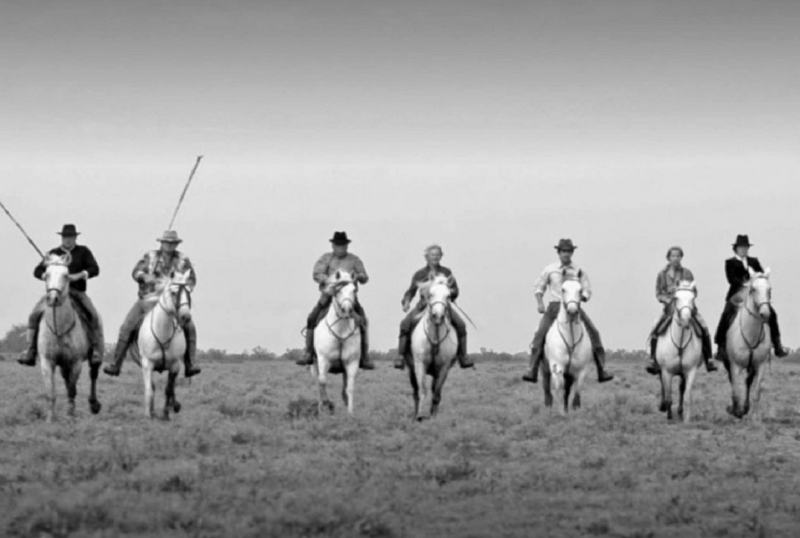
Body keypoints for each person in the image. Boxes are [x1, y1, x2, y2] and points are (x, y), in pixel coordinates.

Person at [103, 230, 201, 377]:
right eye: (166, 243)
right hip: (148, 299)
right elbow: (136, 272)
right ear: (161, 243)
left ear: (176, 244)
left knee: (189, 326)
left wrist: (182, 291)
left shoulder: (183, 260)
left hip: (172, 302)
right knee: (127, 326)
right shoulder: (150, 256)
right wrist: (144, 277)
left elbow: (191, 280)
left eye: (172, 243)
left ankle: (190, 363)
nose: (169, 246)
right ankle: (116, 364)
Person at [522, 239, 614, 384]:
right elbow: (539, 287)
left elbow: (587, 289)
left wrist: (583, 297)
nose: (566, 254)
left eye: (569, 251)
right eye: (564, 251)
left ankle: (602, 369)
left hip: (574, 308)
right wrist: (540, 303)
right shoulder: (550, 269)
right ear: (559, 252)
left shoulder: (578, 271)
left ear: (572, 253)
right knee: (539, 334)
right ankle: (531, 369)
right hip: (554, 307)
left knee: (594, 332)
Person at [18, 224, 104, 367]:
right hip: (55, 292)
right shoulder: (53, 253)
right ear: (62, 238)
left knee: (93, 315)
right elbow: (37, 270)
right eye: (65, 237)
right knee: (33, 315)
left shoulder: (83, 251)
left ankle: (94, 349)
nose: (68, 239)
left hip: (77, 291)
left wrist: (80, 275)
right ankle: (30, 350)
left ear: (75, 238)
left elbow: (94, 269)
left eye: (71, 237)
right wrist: (45, 275)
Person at [295, 231, 376, 369]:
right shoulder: (325, 259)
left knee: (363, 320)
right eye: (338, 245)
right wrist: (330, 281)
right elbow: (316, 273)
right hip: (328, 296)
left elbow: (364, 277)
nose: (341, 248)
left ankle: (364, 357)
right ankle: (308, 352)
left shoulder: (354, 260)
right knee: (312, 318)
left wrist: (358, 276)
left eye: (343, 245)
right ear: (333, 246)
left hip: (349, 299)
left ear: (347, 246)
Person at [394, 244, 474, 370]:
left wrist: (449, 293)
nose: (435, 257)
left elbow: (455, 290)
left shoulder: (447, 272)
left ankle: (463, 357)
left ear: (441, 256)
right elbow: (411, 291)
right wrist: (406, 301)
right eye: (432, 255)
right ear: (427, 257)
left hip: (443, 306)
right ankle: (401, 356)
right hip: (423, 305)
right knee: (405, 324)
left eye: (437, 255)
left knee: (461, 325)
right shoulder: (419, 274)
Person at [714, 234, 787, 366]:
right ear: (736, 249)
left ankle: (777, 345)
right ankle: (721, 346)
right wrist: (746, 283)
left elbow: (761, 275)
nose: (743, 249)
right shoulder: (729, 263)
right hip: (737, 294)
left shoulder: (754, 261)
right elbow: (731, 279)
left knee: (772, 313)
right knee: (726, 314)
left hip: (754, 293)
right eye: (741, 247)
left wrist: (757, 282)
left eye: (745, 247)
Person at [645, 246, 717, 374]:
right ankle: (653, 360)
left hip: (687, 308)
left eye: (678, 256)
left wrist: (686, 299)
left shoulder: (687, 273)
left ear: (681, 257)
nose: (675, 258)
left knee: (704, 327)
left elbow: (694, 291)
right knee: (655, 328)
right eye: (673, 256)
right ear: (668, 257)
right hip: (669, 309)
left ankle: (709, 360)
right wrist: (668, 300)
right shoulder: (662, 274)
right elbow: (658, 293)